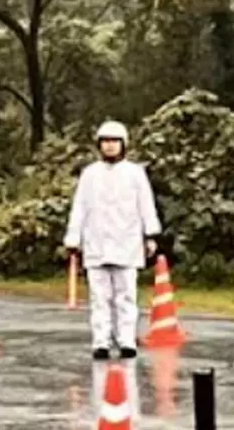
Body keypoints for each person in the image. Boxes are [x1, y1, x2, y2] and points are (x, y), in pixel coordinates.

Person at [63, 120, 162, 360]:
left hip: (127, 243)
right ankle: (101, 342)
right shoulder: (90, 174)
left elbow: (146, 205)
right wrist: (73, 238)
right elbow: (80, 208)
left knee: (126, 295)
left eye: (114, 142)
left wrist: (150, 235)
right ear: (99, 145)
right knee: (99, 297)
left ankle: (127, 341)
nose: (109, 146)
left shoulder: (135, 173)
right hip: (96, 244)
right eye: (105, 142)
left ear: (123, 145)